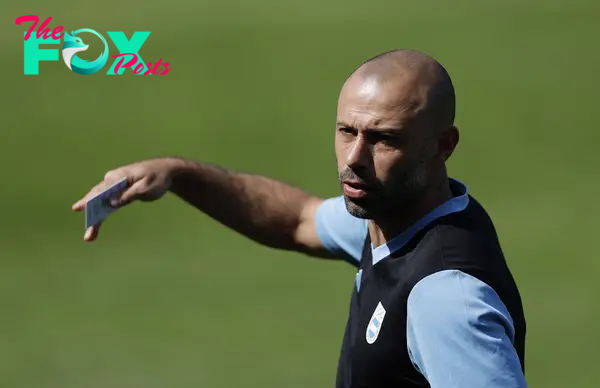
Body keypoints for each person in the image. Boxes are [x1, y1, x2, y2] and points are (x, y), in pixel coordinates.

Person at [72, 49, 527, 388]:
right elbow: (298, 219)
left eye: (384, 139)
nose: (354, 158)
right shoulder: (395, 215)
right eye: (346, 131)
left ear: (443, 145)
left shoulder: (446, 299)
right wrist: (177, 174)